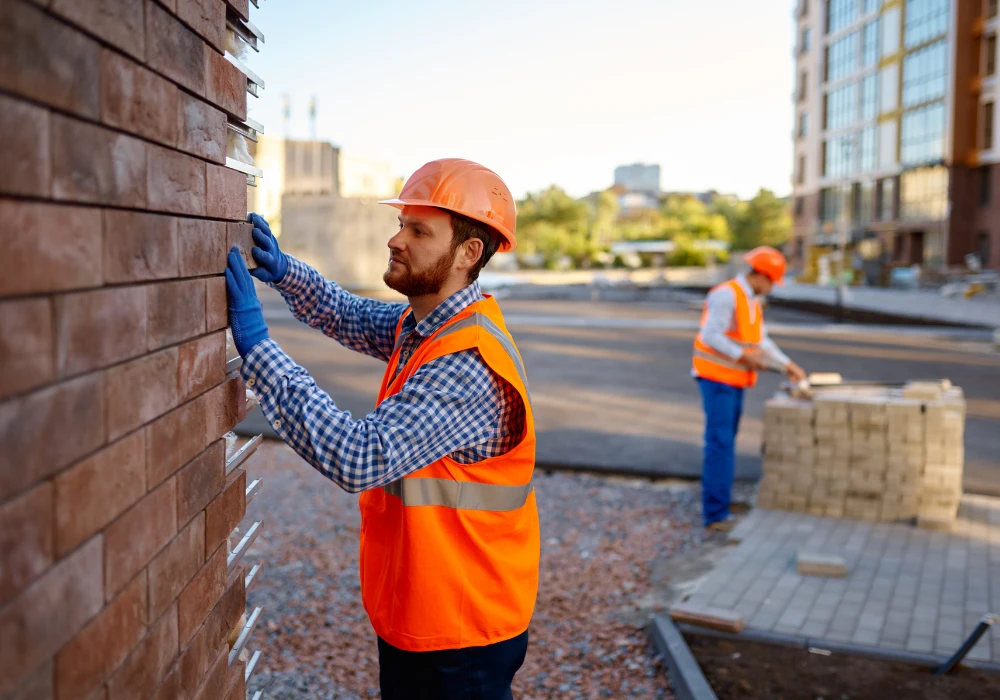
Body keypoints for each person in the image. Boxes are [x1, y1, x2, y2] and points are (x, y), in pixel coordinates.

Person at [224, 158, 538, 700]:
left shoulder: (467, 361)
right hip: (429, 609)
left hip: (459, 632)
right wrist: (284, 272)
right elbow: (346, 313)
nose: (396, 240)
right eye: (401, 225)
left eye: (419, 231)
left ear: (468, 253)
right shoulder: (427, 326)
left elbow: (357, 456)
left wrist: (258, 348)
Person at [691, 246, 806, 532]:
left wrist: (787, 365)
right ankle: (715, 514)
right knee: (720, 445)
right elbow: (710, 335)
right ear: (761, 275)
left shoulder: (750, 300)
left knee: (725, 443)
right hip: (716, 379)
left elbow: (761, 342)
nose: (771, 289)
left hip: (733, 380)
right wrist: (744, 357)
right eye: (771, 282)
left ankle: (721, 502)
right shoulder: (726, 295)